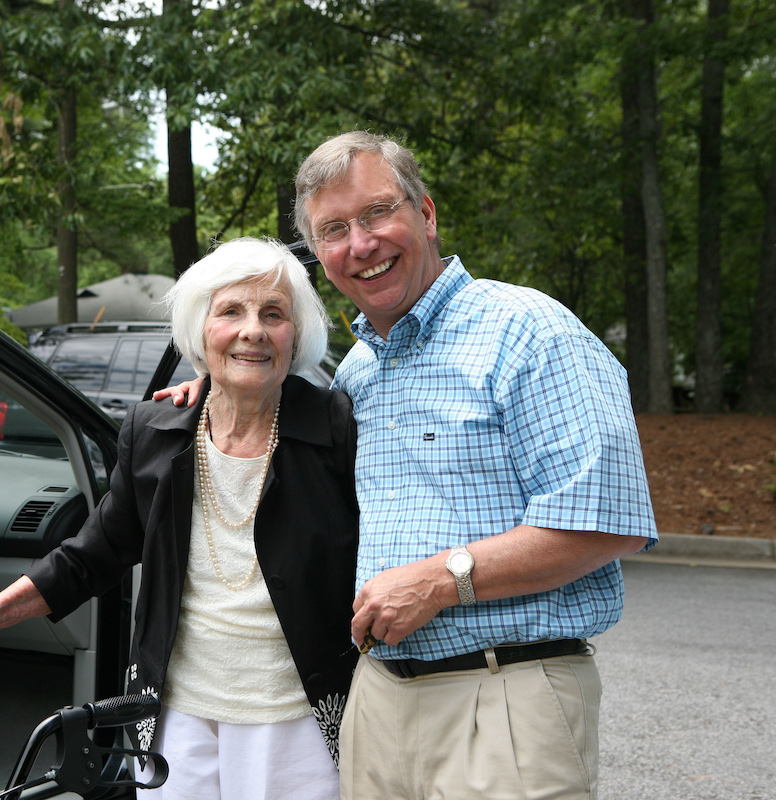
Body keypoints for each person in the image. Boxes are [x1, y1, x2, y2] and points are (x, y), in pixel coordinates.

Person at [158, 132, 658, 800]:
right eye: (334, 229)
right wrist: (213, 389)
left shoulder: (530, 331)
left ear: (425, 214)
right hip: (380, 700)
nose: (360, 244)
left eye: (376, 214)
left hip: (503, 693)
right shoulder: (359, 373)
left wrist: (444, 581)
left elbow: (607, 525)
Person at [0, 237, 360, 800]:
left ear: (297, 334)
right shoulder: (155, 431)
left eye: (274, 314)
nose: (253, 330)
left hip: (297, 721)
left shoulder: (337, 429)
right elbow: (89, 557)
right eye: (230, 311)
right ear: (199, 330)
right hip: (175, 717)